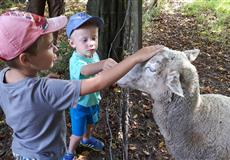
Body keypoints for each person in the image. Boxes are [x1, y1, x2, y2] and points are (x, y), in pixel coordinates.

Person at [0, 10, 162, 160]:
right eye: (50, 46)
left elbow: (27, 98)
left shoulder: (4, 76)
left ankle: (85, 140)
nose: (56, 48)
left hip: (21, 151)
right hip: (46, 155)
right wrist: (135, 58)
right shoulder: (46, 89)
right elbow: (99, 82)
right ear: (25, 59)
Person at [63, 12, 117, 160]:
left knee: (91, 123)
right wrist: (103, 64)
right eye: (85, 40)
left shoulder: (93, 55)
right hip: (79, 104)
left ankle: (87, 140)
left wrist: (108, 78)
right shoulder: (76, 60)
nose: (91, 43)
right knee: (77, 133)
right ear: (72, 43)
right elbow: (86, 71)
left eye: (94, 38)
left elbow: (98, 75)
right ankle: (70, 151)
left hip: (93, 100)